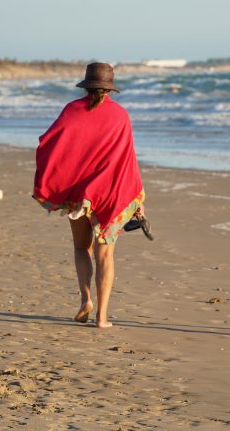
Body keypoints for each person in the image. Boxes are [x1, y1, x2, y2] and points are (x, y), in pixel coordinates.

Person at [33, 62, 145, 328]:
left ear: (87, 85)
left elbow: (48, 142)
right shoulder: (120, 116)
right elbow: (127, 160)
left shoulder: (72, 110)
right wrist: (139, 196)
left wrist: (60, 177)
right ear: (110, 89)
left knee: (81, 247)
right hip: (111, 193)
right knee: (105, 255)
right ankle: (102, 318)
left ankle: (86, 300)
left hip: (78, 195)